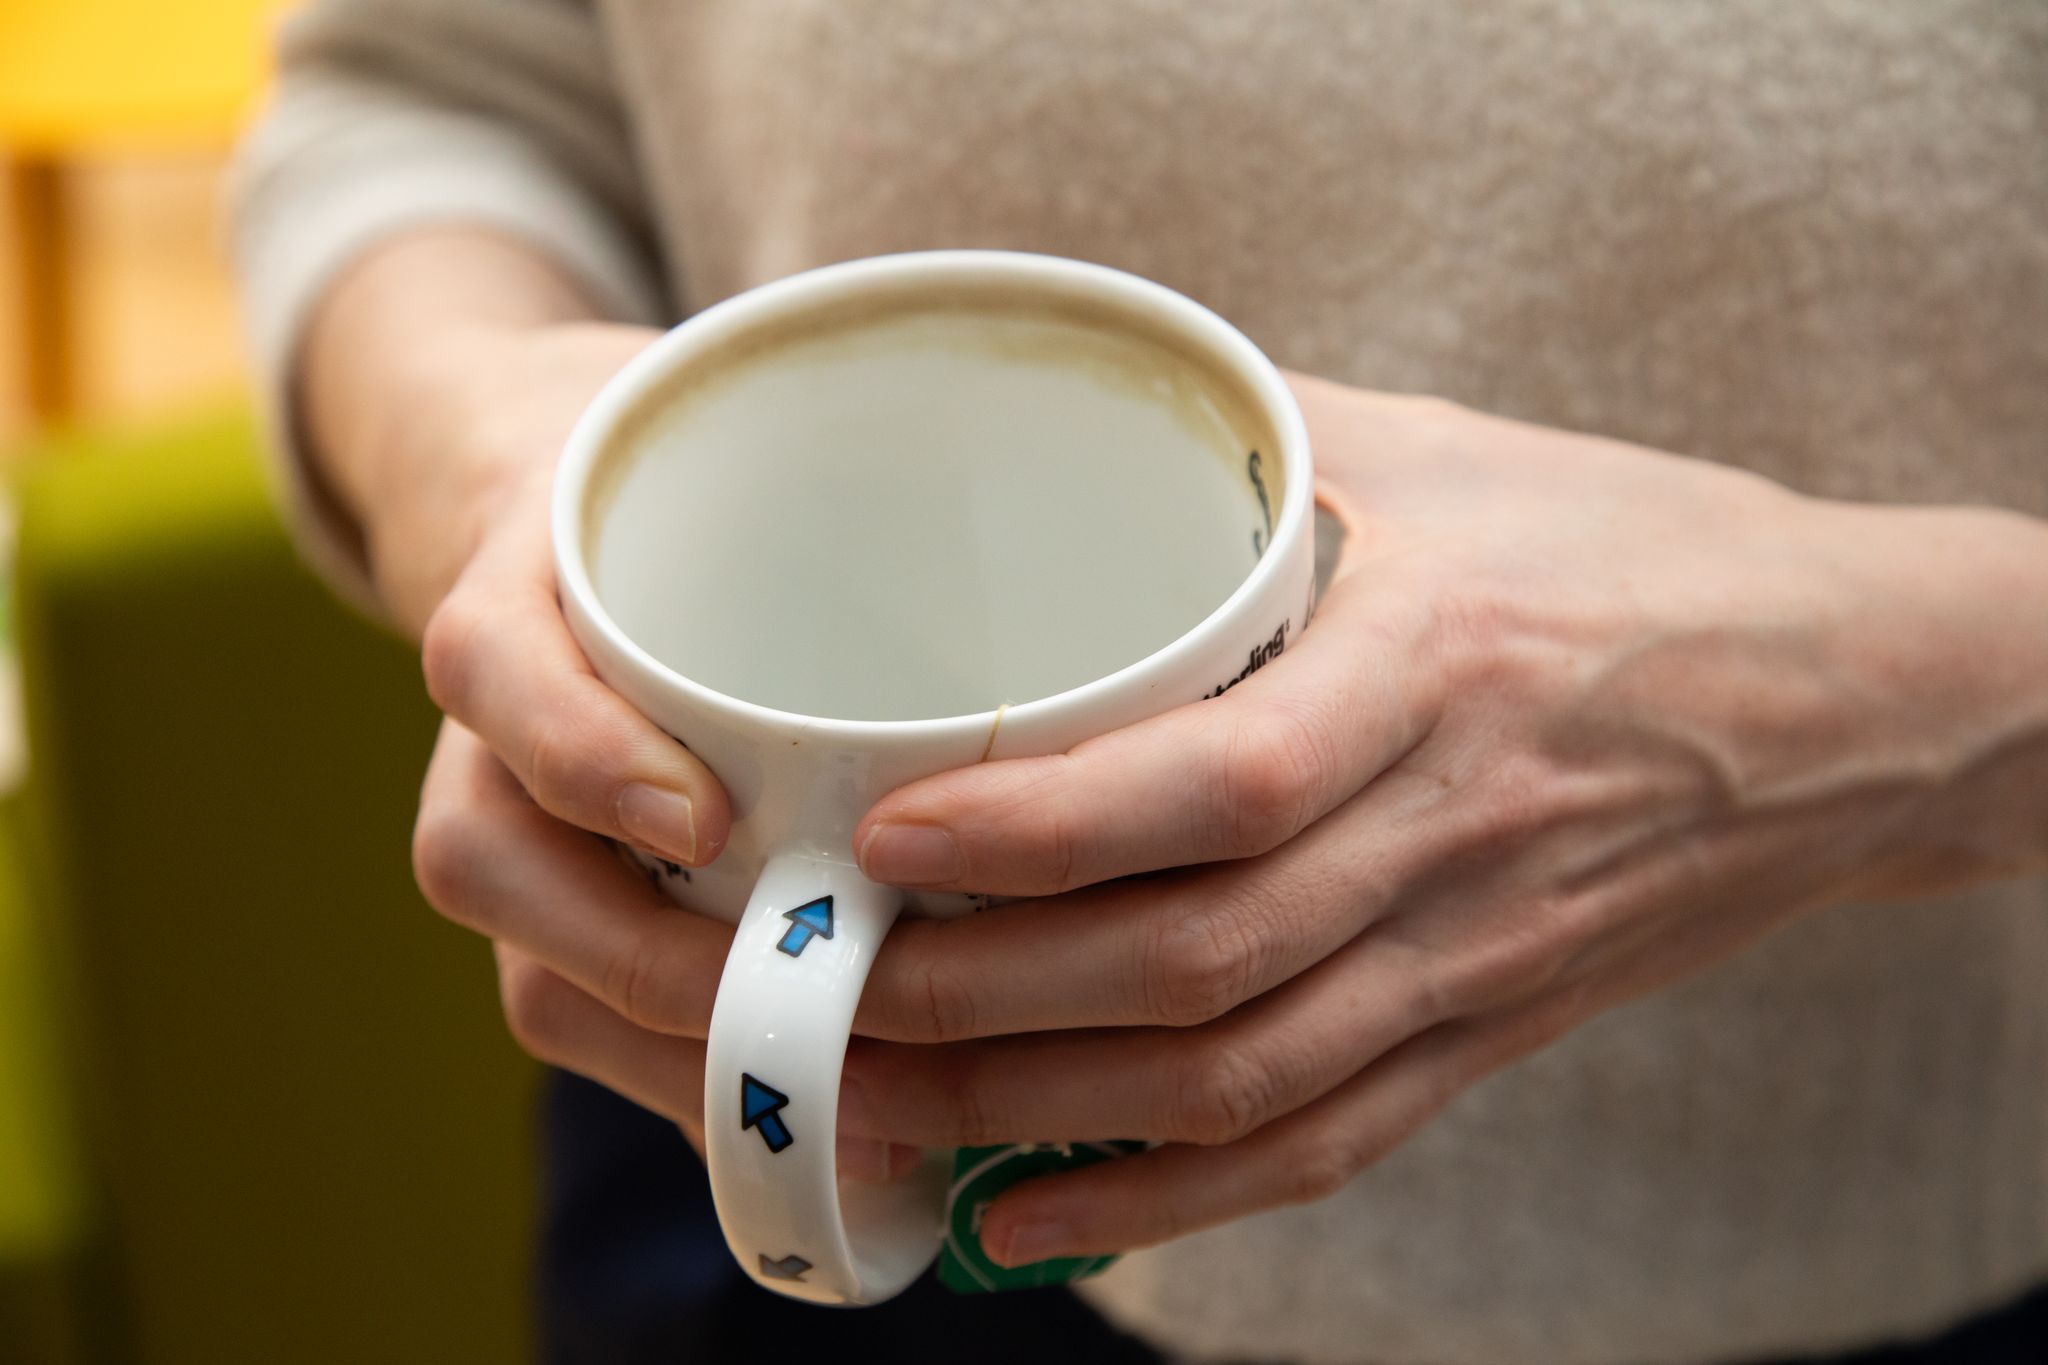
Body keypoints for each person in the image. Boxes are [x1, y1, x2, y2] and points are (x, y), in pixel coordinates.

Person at [230, 3, 2048, 1362]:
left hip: (1921, 1260)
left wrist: (1898, 715)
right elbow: (431, 103)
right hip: (791, 1125)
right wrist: (475, 450)